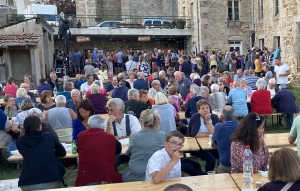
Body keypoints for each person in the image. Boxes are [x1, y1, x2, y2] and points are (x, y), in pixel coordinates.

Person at [16, 116, 66, 190]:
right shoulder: (50, 136)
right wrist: (50, 153)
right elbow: (62, 152)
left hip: (27, 182)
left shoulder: (20, 142)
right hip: (51, 179)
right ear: (40, 126)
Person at [75, 115, 122, 186]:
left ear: (89, 126)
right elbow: (118, 150)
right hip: (108, 178)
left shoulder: (81, 136)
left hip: (85, 180)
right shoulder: (110, 138)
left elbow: (79, 151)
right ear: (102, 126)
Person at [122, 109, 165, 182]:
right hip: (156, 174)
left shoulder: (134, 135)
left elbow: (128, 153)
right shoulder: (162, 135)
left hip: (134, 175)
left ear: (141, 121)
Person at [187, 99, 219, 172]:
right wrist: (208, 134)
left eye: (207, 108)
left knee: (221, 155)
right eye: (203, 108)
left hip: (211, 145)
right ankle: (207, 174)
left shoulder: (214, 117)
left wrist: (208, 122)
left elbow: (215, 133)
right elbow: (195, 134)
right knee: (211, 160)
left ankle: (219, 172)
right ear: (198, 110)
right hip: (197, 146)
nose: (205, 110)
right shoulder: (196, 117)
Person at [212, 106, 239, 174]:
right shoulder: (241, 126)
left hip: (225, 167)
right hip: (240, 166)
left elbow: (214, 144)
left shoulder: (218, 127)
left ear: (221, 117)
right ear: (235, 116)